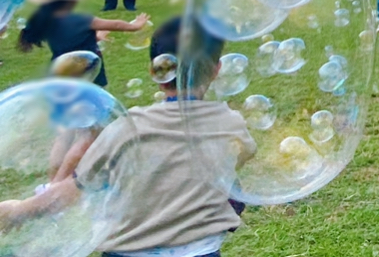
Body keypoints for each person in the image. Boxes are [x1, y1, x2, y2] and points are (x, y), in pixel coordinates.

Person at [4, 17, 258, 255]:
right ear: (217, 69)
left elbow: (74, 190)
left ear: (158, 72)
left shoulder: (125, 128)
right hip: (200, 251)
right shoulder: (232, 124)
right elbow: (238, 160)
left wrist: (19, 210)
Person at [19, 0, 149, 87]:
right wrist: (135, 26)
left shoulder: (46, 20)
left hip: (61, 67)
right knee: (93, 97)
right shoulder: (82, 20)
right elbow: (115, 25)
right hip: (87, 65)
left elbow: (69, 40)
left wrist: (96, 37)